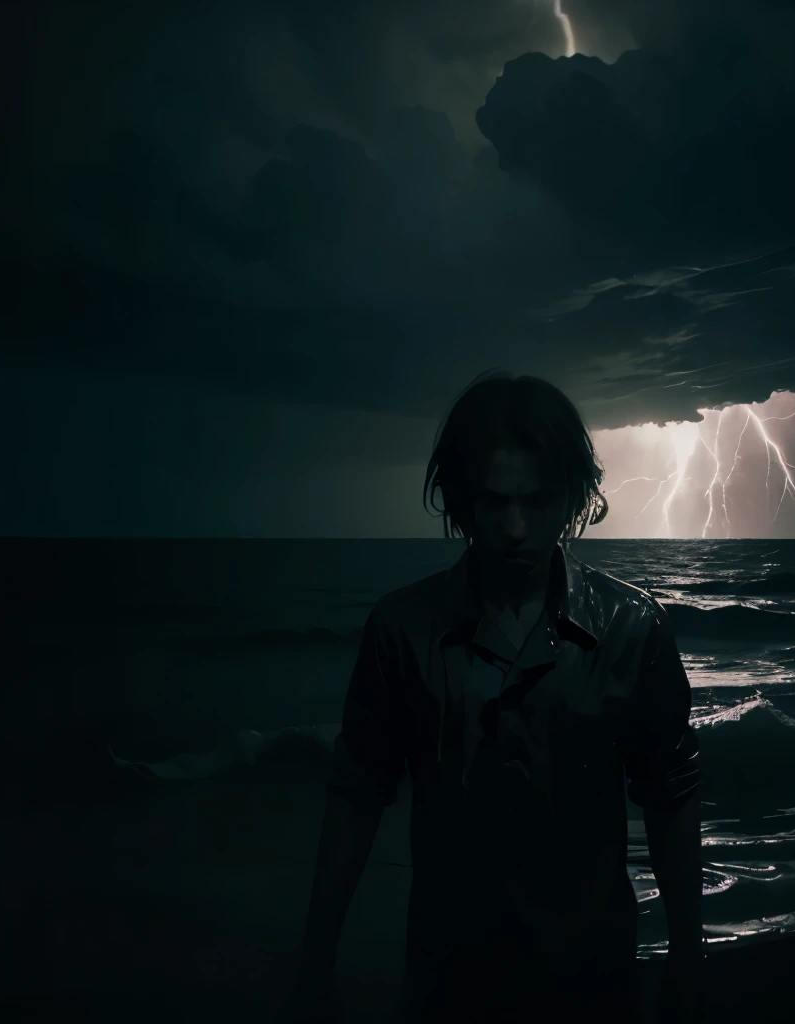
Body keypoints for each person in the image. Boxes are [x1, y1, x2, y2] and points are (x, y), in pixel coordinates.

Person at [283, 371, 703, 1023]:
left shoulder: (633, 627)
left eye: (535, 503)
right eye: (494, 502)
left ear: (571, 499)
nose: (513, 527)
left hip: (592, 987)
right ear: (460, 502)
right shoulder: (401, 630)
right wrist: (315, 967)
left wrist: (687, 963)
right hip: (447, 988)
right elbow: (356, 798)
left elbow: (671, 797)